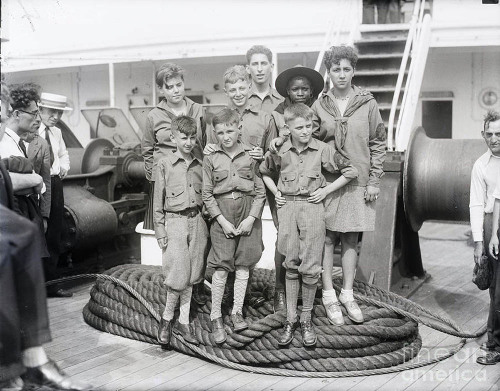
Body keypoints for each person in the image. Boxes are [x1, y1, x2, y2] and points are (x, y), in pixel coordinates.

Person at [0, 81, 90, 391]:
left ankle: (31, 359)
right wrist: (34, 177)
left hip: (20, 206)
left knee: (24, 236)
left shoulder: (43, 138)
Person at [259, 103, 358, 347]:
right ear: (288, 128)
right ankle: (290, 319)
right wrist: (276, 193)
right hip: (288, 209)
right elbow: (264, 171)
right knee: (290, 264)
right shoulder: (280, 150)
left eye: (309, 126)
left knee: (311, 268)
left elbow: (351, 171)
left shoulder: (323, 149)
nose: (304, 131)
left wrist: (326, 190)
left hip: (313, 210)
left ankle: (306, 320)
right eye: (299, 127)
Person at [313, 45, 386, 326]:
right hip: (329, 182)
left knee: (351, 239)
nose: (341, 74)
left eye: (346, 69)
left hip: (359, 181)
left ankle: (347, 293)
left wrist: (374, 180)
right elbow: (314, 143)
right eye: (336, 69)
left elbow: (378, 142)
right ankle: (329, 294)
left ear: (353, 71)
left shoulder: (367, 103)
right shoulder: (320, 105)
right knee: (328, 239)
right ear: (329, 72)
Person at [205, 65, 277, 308]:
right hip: (224, 192)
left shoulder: (264, 117)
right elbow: (211, 152)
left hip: (255, 189)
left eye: (241, 87)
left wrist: (263, 153)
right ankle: (224, 298)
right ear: (226, 91)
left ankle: (241, 300)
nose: (237, 93)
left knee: (248, 248)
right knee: (224, 249)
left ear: (249, 87)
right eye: (232, 89)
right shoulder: (217, 120)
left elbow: (273, 155)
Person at [142, 62, 207, 304]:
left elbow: (204, 145)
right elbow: (147, 150)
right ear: (162, 89)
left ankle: (196, 284)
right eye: (169, 87)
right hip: (168, 180)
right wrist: (156, 180)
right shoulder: (153, 115)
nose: (175, 90)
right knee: (172, 238)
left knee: (198, 234)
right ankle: (174, 284)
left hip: (193, 177)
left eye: (179, 85)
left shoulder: (197, 109)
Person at [202, 108, 266, 344]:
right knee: (221, 266)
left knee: (243, 265)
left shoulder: (252, 155)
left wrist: (252, 218)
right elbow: (207, 194)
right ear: (215, 133)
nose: (226, 136)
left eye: (230, 130)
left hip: (248, 211)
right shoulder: (210, 157)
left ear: (239, 128)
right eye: (220, 132)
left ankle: (237, 311)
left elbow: (260, 192)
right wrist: (221, 220)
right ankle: (216, 315)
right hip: (223, 213)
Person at [269, 65, 325, 312]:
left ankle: (312, 292)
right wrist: (279, 139)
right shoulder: (277, 115)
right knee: (286, 243)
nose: (300, 92)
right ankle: (282, 292)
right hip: (286, 186)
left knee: (313, 243)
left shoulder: (319, 112)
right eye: (295, 89)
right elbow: (271, 155)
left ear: (311, 90)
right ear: (288, 93)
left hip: (314, 181)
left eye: (305, 88)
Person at [153, 116, 207, 347]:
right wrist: (160, 230)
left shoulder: (200, 165)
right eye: (183, 137)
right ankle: (167, 320)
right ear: (173, 137)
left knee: (193, 274)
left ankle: (184, 322)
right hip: (174, 223)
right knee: (177, 273)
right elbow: (157, 201)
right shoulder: (164, 164)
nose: (188, 142)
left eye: (192, 137)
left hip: (197, 222)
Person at [471, 110, 500, 365]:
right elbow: (477, 205)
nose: (494, 138)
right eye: (489, 133)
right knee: (497, 290)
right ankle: (494, 344)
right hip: (494, 227)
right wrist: (479, 241)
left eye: (499, 133)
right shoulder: (481, 165)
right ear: (483, 135)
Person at [38, 92, 73, 298]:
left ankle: (51, 284)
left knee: (54, 234)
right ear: (40, 110)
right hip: (38, 185)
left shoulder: (57, 133)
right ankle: (37, 285)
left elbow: (62, 154)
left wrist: (64, 167)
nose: (56, 116)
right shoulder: (33, 133)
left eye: (59, 112)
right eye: (52, 112)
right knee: (38, 231)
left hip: (55, 184)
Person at [246, 45, 284, 114]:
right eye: (255, 64)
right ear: (248, 69)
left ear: (271, 67)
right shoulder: (240, 99)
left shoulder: (282, 101)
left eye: (263, 64)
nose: (259, 69)